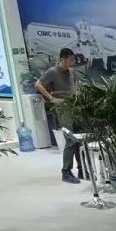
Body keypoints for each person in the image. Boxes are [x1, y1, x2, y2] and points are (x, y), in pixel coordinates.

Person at [35, 48, 83, 184]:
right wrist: (51, 98)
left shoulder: (72, 72)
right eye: (70, 59)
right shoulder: (53, 71)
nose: (72, 62)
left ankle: (82, 169)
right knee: (71, 138)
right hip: (62, 108)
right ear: (62, 59)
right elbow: (38, 84)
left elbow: (78, 86)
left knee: (79, 139)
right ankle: (66, 172)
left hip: (74, 106)